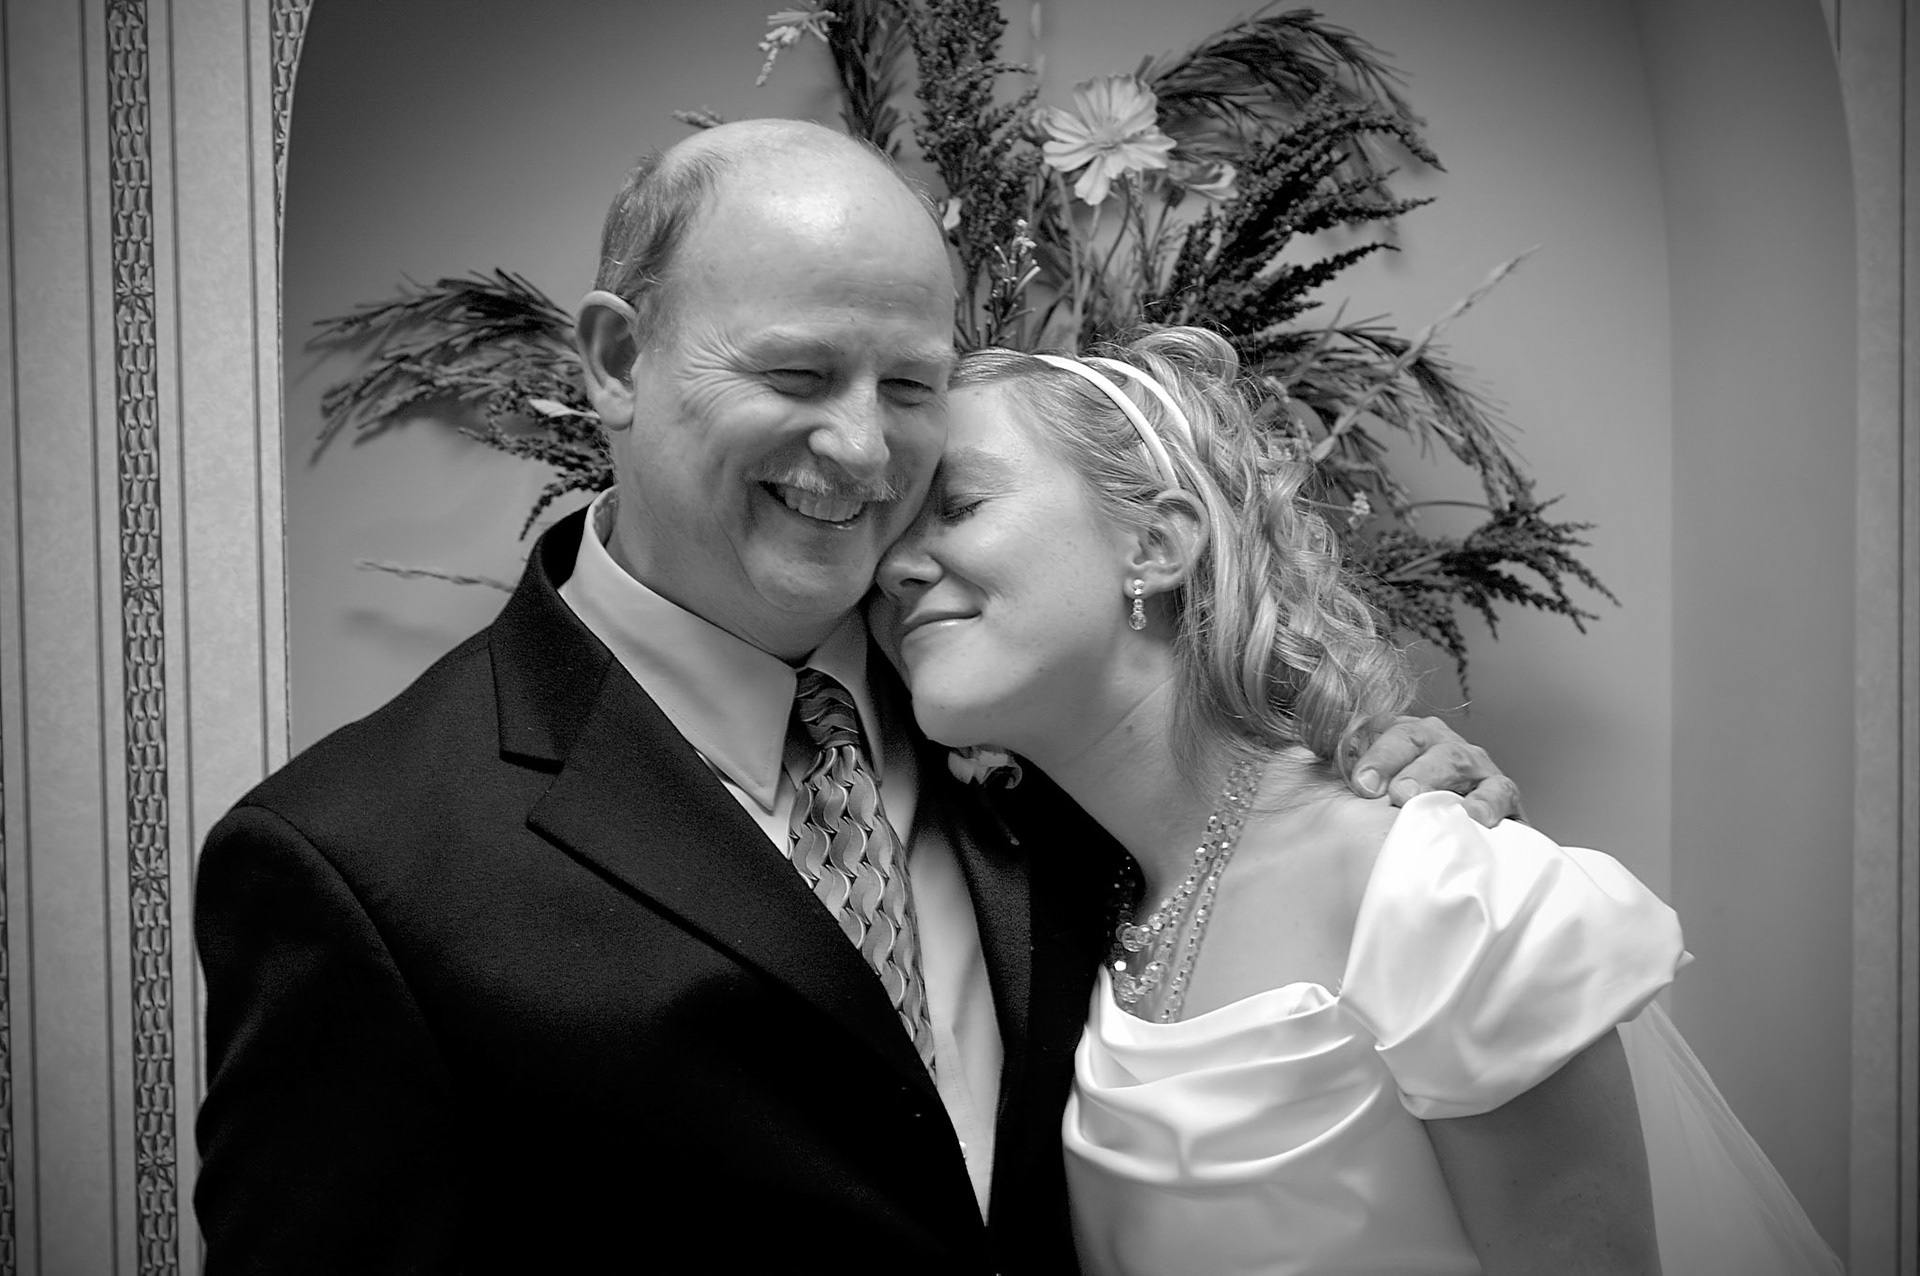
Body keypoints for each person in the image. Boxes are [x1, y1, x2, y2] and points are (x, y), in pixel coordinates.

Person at [194, 122, 1514, 1274]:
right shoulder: (354, 858)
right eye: (797, 375)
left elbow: (1231, 875)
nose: (865, 448)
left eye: (912, 387)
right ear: (616, 360)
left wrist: (1368, 790)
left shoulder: (1027, 709)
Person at [870, 326, 1844, 1275]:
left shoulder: (1439, 891)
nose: (895, 568)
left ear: (1156, 543)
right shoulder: (1077, 887)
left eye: (957, 506)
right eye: (888, 534)